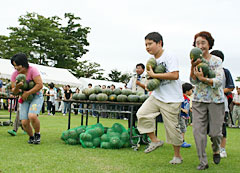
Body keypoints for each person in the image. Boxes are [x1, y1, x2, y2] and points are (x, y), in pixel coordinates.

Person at [136, 32, 184, 164]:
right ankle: (155, 141)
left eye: (150, 44)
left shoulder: (170, 55)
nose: (147, 47)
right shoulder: (151, 61)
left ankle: (177, 156)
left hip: (172, 98)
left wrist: (155, 75)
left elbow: (175, 75)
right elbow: (152, 79)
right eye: (145, 44)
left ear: (159, 43)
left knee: (172, 128)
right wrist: (149, 82)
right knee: (142, 114)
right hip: (157, 96)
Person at [190, 31, 224, 170]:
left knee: (216, 133)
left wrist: (204, 79)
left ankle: (216, 149)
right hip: (199, 100)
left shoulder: (216, 61)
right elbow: (192, 80)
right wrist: (193, 66)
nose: (200, 45)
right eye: (197, 43)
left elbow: (219, 81)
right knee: (198, 131)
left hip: (216, 100)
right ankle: (203, 162)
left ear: (209, 44)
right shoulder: (195, 59)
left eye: (203, 42)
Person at [10, 53, 44, 144]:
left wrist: (28, 93)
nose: (16, 68)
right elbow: (14, 91)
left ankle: (37, 134)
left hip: (36, 96)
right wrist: (17, 86)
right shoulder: (14, 75)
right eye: (14, 66)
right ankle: (31, 137)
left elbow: (40, 85)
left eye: (17, 65)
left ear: (23, 63)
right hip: (24, 99)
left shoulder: (33, 70)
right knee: (24, 122)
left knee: (32, 116)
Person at [210, 50, 235, 158]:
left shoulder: (225, 72)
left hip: (221, 104)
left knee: (221, 127)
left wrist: (218, 92)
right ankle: (215, 147)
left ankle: (222, 149)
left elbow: (231, 87)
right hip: (207, 104)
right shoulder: (206, 71)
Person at [180, 83, 193, 148]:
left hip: (185, 116)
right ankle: (181, 142)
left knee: (183, 128)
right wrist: (182, 110)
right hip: (181, 115)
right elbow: (177, 105)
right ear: (187, 91)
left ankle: (180, 141)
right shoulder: (181, 98)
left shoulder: (187, 98)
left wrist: (190, 110)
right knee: (183, 128)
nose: (192, 92)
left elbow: (187, 106)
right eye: (191, 90)